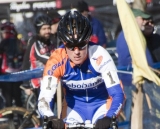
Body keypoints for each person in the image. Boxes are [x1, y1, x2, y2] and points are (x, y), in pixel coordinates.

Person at [38, 10, 125, 129]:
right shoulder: (56, 59)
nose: (77, 52)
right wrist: (50, 117)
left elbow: (117, 93)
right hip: (74, 109)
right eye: (71, 46)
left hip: (102, 105)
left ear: (88, 41)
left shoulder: (99, 54)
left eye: (81, 45)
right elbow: (45, 97)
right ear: (64, 43)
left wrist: (110, 117)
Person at [116, 8, 154, 129]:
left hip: (139, 82)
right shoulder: (127, 35)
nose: (145, 22)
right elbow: (127, 60)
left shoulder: (134, 34)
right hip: (131, 83)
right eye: (142, 19)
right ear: (134, 19)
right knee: (130, 114)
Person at [21, 14, 56, 98]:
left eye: (48, 28)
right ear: (38, 30)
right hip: (39, 83)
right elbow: (46, 58)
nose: (47, 31)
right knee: (47, 109)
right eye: (44, 29)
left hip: (49, 81)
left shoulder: (48, 42)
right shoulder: (36, 42)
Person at [0, 21, 24, 108]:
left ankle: (10, 119)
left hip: (5, 74)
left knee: (8, 99)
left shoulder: (3, 43)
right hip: (18, 74)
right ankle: (21, 118)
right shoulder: (19, 42)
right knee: (18, 98)